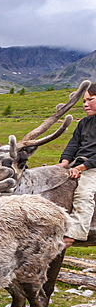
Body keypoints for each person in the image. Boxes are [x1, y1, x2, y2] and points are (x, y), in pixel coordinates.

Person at [59, 87, 96, 248]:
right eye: (83, 101)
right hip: (78, 164)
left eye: (90, 99)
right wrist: (64, 163)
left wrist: (82, 167)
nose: (85, 104)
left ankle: (75, 232)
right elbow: (73, 145)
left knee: (84, 193)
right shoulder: (84, 123)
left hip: (92, 167)